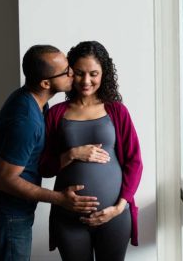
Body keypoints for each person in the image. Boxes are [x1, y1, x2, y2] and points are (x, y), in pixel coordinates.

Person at [0, 45, 101, 261]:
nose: (72, 73)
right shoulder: (26, 120)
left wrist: (71, 154)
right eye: (66, 72)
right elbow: (5, 180)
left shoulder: (35, 102)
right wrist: (59, 199)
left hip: (13, 214)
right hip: (7, 217)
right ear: (45, 83)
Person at [39, 41, 143, 261]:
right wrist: (71, 154)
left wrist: (118, 207)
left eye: (93, 73)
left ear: (103, 73)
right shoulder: (56, 114)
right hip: (68, 219)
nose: (86, 81)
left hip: (113, 217)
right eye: (79, 73)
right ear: (69, 73)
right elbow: (43, 166)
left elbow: (134, 162)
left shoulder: (117, 111)